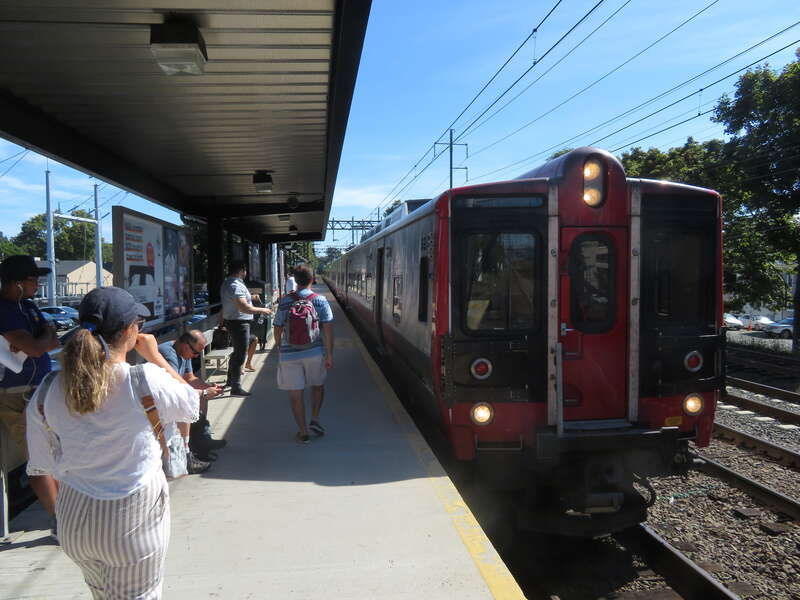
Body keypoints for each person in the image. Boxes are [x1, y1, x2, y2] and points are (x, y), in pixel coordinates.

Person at [26, 287, 199, 599]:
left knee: (103, 594)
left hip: (74, 519)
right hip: (131, 516)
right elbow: (190, 404)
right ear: (130, 331)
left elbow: (43, 463)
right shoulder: (142, 378)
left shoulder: (48, 388)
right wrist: (156, 355)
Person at [0, 255, 60, 535]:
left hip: (41, 389)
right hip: (17, 395)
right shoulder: (4, 309)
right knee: (38, 458)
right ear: (17, 283)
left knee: (59, 452)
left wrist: (41, 337)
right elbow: (36, 349)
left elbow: (51, 339)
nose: (38, 284)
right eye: (33, 280)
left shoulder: (29, 306)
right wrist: (39, 341)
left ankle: (67, 513)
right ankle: (60, 521)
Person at [273, 264, 333, 443]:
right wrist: (329, 354)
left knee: (295, 394)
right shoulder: (320, 300)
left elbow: (277, 327)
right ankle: (314, 419)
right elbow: (328, 329)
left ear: (295, 280)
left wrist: (280, 348)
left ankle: (303, 431)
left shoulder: (285, 301)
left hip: (289, 354)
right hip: (314, 351)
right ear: (312, 279)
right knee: (318, 385)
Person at [157, 330, 226, 463]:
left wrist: (207, 387)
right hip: (159, 400)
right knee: (191, 399)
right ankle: (190, 452)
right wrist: (204, 392)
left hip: (171, 393)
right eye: (195, 352)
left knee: (202, 393)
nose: (195, 356)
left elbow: (190, 378)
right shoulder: (168, 355)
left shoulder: (184, 352)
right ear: (185, 345)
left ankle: (202, 440)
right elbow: (174, 388)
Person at [220, 261, 272, 396]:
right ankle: (235, 388)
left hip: (235, 322)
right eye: (245, 270)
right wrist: (263, 310)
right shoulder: (235, 285)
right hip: (239, 323)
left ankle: (231, 381)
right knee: (240, 355)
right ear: (242, 270)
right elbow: (244, 307)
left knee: (237, 352)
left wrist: (252, 297)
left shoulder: (229, 283)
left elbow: (239, 299)